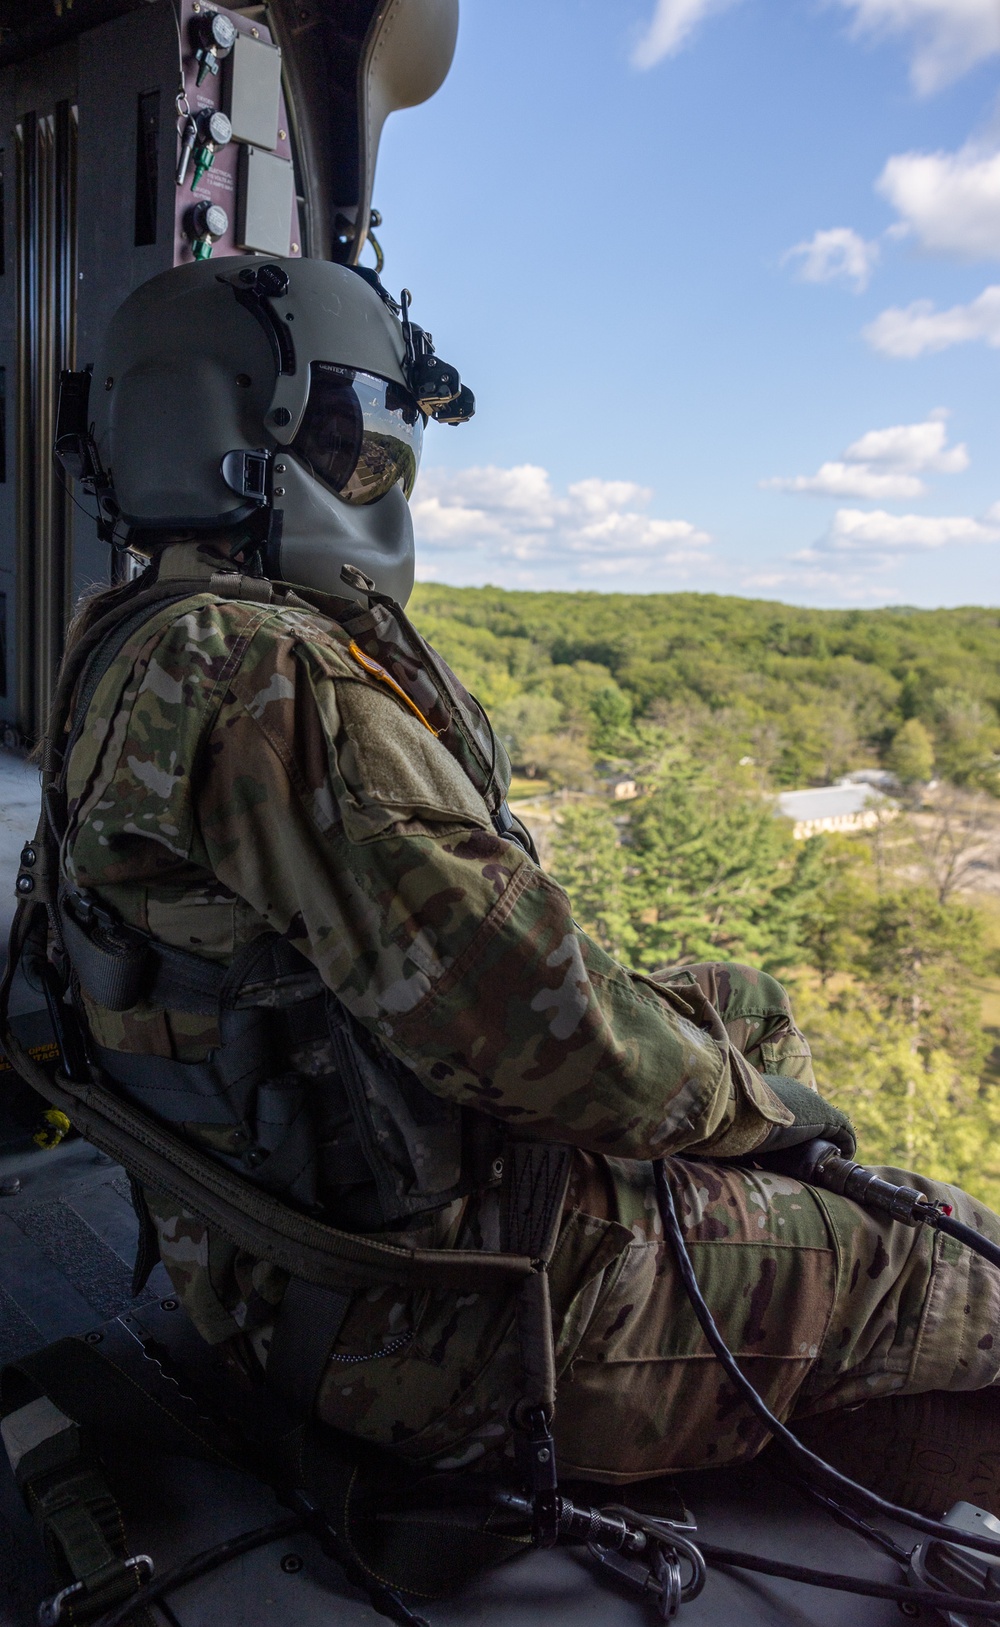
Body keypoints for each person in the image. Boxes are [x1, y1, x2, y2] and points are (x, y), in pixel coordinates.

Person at [30, 255, 1000, 1520]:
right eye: (353, 434)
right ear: (246, 429)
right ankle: (811, 1319)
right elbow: (555, 1036)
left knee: (741, 998)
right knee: (943, 1256)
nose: (378, 468)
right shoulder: (272, 681)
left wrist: (736, 1089)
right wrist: (769, 1120)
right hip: (437, 1319)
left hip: (263, 1249)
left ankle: (759, 1280)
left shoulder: (132, 636)